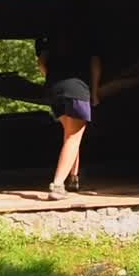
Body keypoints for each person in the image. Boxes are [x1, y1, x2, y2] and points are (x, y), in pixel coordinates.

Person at [37, 31, 101, 200]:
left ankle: (73, 178)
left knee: (70, 135)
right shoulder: (88, 38)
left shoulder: (51, 38)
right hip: (77, 90)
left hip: (54, 90)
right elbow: (95, 66)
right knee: (73, 137)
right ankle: (57, 185)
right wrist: (94, 93)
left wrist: (53, 79)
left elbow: (41, 63)